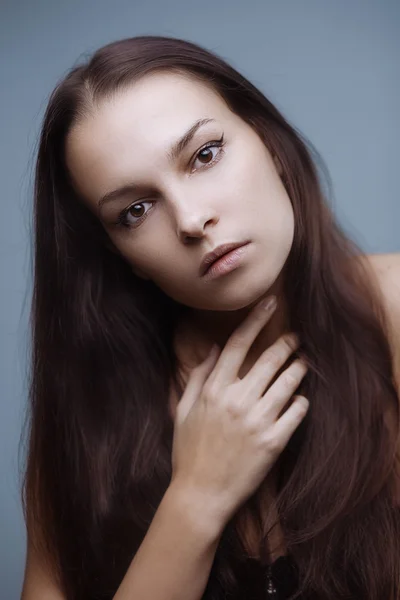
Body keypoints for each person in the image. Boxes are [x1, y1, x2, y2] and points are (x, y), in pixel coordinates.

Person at [20, 35, 400, 600]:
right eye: (135, 211)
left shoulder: (392, 309)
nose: (192, 219)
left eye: (204, 155)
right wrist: (196, 500)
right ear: (117, 253)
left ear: (270, 142)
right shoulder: (90, 419)